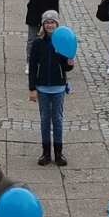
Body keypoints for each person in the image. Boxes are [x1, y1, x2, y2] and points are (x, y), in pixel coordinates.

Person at [28, 9, 74, 166]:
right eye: (47, 22)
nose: (49, 25)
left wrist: (70, 63)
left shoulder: (62, 42)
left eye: (52, 22)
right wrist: (32, 88)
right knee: (45, 120)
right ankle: (46, 152)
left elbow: (66, 67)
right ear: (43, 25)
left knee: (58, 120)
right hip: (42, 88)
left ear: (57, 24)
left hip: (58, 87)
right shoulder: (37, 43)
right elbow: (32, 67)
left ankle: (59, 152)